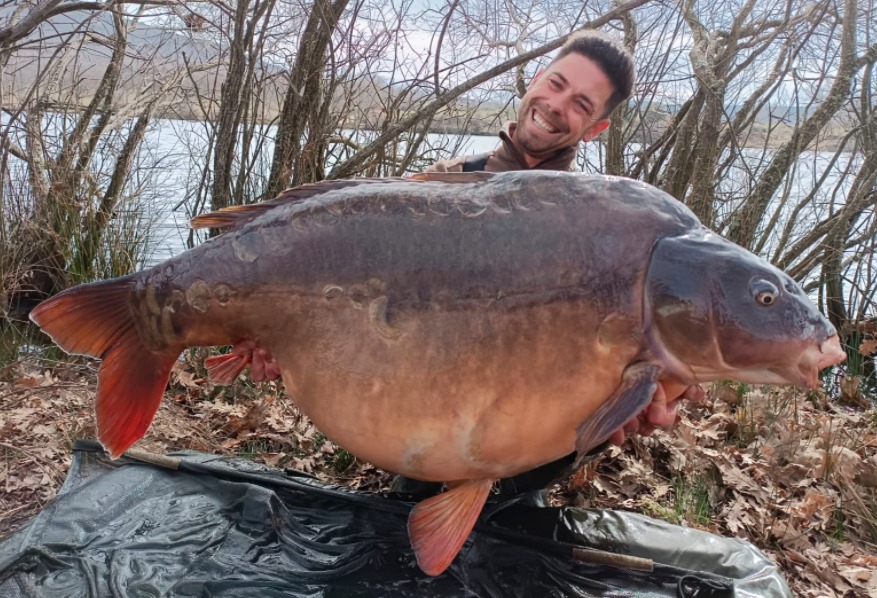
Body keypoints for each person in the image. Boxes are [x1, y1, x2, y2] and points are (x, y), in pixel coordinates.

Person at [391, 30, 703, 498]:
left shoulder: (603, 231)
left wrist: (642, 395)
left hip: (529, 454)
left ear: (596, 128)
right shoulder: (435, 188)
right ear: (535, 81)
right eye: (556, 84)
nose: (558, 105)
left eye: (582, 104)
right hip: (425, 422)